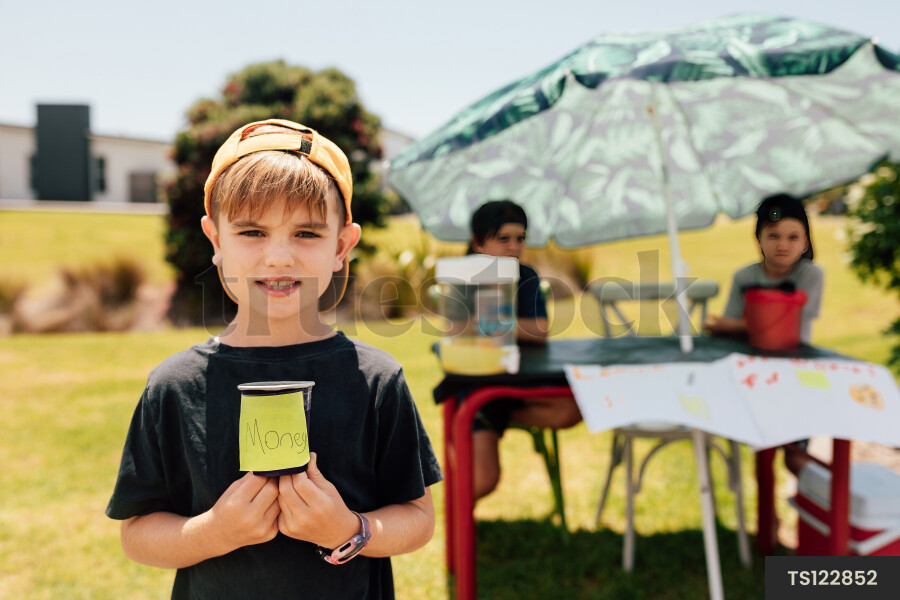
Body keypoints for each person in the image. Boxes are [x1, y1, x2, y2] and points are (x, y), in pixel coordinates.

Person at [106, 119, 442, 600]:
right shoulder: (174, 386)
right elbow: (138, 533)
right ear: (216, 241)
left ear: (341, 247)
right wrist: (216, 532)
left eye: (307, 233)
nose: (279, 257)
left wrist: (350, 529)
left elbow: (418, 518)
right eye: (251, 232)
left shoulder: (376, 380)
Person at [466, 200, 582, 499]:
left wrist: (496, 326)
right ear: (479, 243)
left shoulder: (526, 277)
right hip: (475, 387)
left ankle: (507, 413)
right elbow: (458, 330)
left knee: (572, 410)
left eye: (520, 239)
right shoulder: (463, 278)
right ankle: (458, 529)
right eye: (503, 239)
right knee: (483, 480)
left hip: (523, 382)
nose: (513, 247)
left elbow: (540, 330)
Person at [704, 193, 824, 475]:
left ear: (805, 241)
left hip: (795, 378)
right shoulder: (744, 277)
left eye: (793, 237)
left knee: (795, 455)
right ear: (758, 239)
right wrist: (741, 327)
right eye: (773, 236)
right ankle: (768, 520)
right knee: (762, 455)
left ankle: (821, 510)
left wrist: (738, 326)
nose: (782, 245)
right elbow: (731, 328)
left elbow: (787, 328)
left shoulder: (810, 276)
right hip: (754, 377)